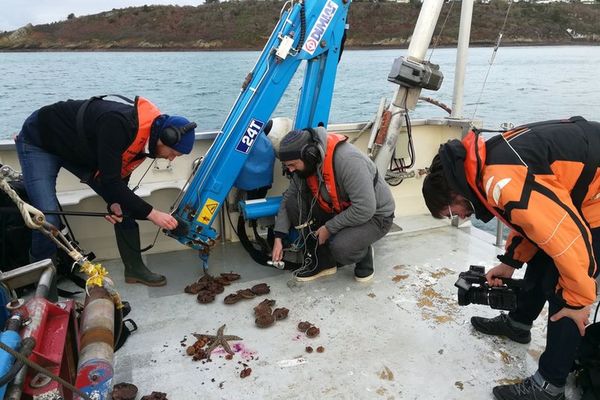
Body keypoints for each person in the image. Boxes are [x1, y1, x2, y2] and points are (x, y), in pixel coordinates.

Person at [422, 116, 599, 400]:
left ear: (454, 192)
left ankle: (549, 387)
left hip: (596, 197)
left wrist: (579, 301)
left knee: (565, 287)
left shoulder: (501, 181)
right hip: (581, 187)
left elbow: (565, 239)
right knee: (544, 255)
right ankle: (519, 324)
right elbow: (532, 222)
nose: (459, 217)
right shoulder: (487, 165)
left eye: (452, 211)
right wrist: (510, 263)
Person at [14, 95, 197, 287]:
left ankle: (135, 270)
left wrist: (115, 203)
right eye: (173, 153)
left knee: (125, 206)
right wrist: (152, 214)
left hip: (77, 150)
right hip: (40, 141)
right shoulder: (117, 124)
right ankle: (41, 283)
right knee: (47, 219)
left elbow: (119, 175)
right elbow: (110, 181)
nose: (171, 160)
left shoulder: (146, 142)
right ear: (165, 137)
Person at [271, 127, 395, 282]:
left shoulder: (348, 161)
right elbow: (289, 197)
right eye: (287, 166)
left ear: (310, 155)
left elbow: (364, 209)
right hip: (338, 209)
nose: (290, 170)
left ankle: (363, 250)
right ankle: (323, 262)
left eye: (293, 165)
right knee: (293, 203)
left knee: (341, 248)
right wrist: (279, 237)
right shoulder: (306, 167)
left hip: (375, 216)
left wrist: (329, 228)